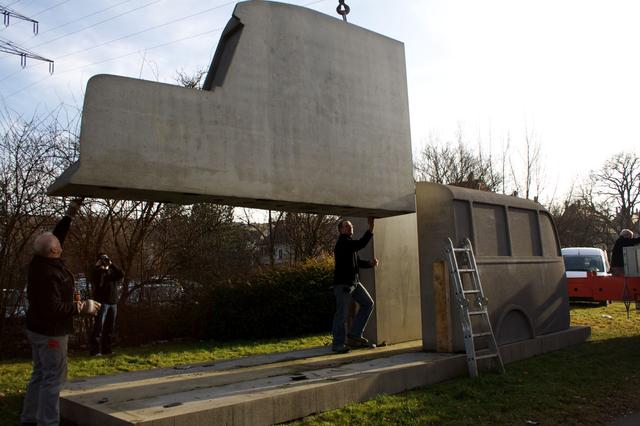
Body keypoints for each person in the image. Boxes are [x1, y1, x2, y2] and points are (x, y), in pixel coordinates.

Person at [21, 198, 101, 426]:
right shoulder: (48, 274)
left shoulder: (40, 260)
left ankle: (29, 419)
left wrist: (70, 214)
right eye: (58, 243)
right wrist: (81, 307)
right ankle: (47, 422)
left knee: (39, 374)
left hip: (36, 329)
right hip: (50, 334)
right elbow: (53, 309)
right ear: (54, 250)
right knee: (53, 379)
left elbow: (58, 235)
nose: (61, 243)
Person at [331, 217, 378, 353]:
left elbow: (357, 262)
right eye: (346, 226)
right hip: (343, 285)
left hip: (354, 283)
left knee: (368, 303)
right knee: (341, 314)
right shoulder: (343, 243)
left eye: (351, 226)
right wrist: (370, 228)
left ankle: (355, 333)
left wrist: (369, 263)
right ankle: (337, 344)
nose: (350, 227)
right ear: (341, 230)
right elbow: (361, 244)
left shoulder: (349, 244)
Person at [89, 253, 123, 356]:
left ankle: (107, 350)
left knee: (109, 328)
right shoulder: (97, 272)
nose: (104, 260)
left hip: (113, 303)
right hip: (101, 302)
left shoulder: (111, 271)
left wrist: (111, 264)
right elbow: (93, 277)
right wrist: (97, 266)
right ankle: (95, 351)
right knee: (98, 327)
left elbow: (121, 274)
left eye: (106, 258)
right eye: (102, 259)